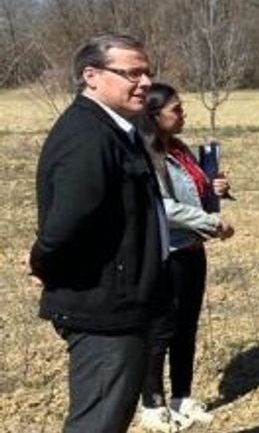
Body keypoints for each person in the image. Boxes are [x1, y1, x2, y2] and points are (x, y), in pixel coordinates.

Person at [28, 34, 165, 433]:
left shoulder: (117, 129)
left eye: (147, 73)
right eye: (132, 73)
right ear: (91, 76)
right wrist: (42, 261)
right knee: (98, 424)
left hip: (122, 303)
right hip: (104, 308)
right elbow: (67, 222)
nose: (144, 83)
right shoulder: (88, 135)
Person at [139, 84, 235, 430]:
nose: (183, 114)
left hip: (194, 249)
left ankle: (181, 396)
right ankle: (152, 405)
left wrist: (215, 189)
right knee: (161, 329)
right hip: (167, 252)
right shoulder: (144, 155)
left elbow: (199, 194)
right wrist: (210, 221)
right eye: (176, 109)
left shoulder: (179, 150)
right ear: (154, 115)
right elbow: (162, 206)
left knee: (186, 328)